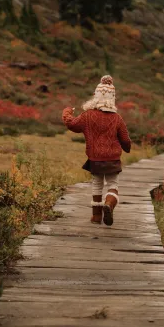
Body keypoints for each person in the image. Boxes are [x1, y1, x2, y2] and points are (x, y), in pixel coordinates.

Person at [62, 75, 132, 226]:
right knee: (113, 184)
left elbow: (71, 124)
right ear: (112, 98)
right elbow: (125, 139)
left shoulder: (87, 116)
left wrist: (67, 112)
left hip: (95, 159)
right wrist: (127, 148)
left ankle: (96, 216)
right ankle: (109, 204)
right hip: (112, 159)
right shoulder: (117, 118)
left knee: (97, 184)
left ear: (96, 96)